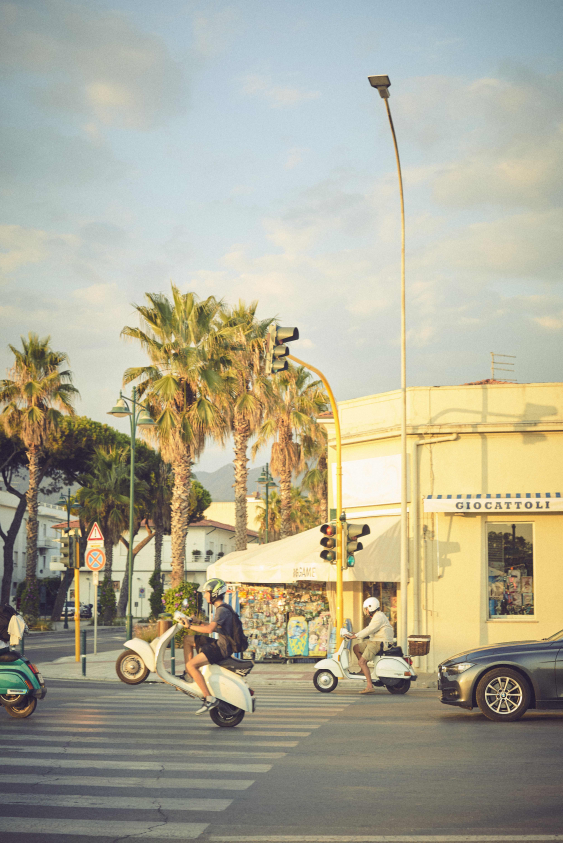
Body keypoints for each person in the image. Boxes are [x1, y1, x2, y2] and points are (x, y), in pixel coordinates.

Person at [180, 578, 236, 715]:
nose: (205, 595)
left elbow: (210, 630)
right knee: (187, 640)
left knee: (191, 665)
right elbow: (215, 628)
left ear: (214, 593)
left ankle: (209, 698)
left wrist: (190, 625)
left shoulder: (221, 610)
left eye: (206, 593)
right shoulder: (222, 608)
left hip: (222, 648)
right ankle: (189, 675)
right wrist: (200, 622)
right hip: (221, 643)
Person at [346, 597, 394, 694]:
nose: (366, 611)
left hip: (380, 642)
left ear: (371, 607)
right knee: (356, 648)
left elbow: (369, 630)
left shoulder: (378, 617)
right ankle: (363, 670)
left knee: (362, 662)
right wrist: (356, 634)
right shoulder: (377, 616)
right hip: (374, 640)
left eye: (366, 609)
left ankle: (369, 686)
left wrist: (356, 635)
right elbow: (369, 630)